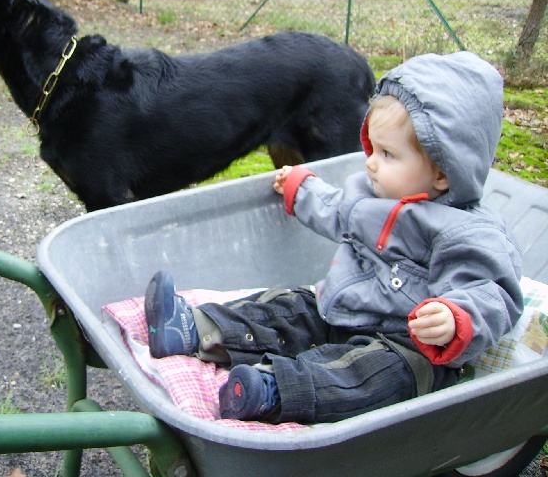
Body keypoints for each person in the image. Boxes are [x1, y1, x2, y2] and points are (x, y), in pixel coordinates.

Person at [144, 51, 524, 424]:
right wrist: (301, 188)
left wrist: (456, 319)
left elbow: (493, 294)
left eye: (388, 154)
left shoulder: (467, 232)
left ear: (443, 171)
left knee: (370, 376)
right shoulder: (373, 193)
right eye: (372, 148)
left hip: (405, 344)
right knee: (290, 307)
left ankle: (271, 390)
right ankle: (196, 328)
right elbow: (338, 210)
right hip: (340, 310)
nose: (370, 162)